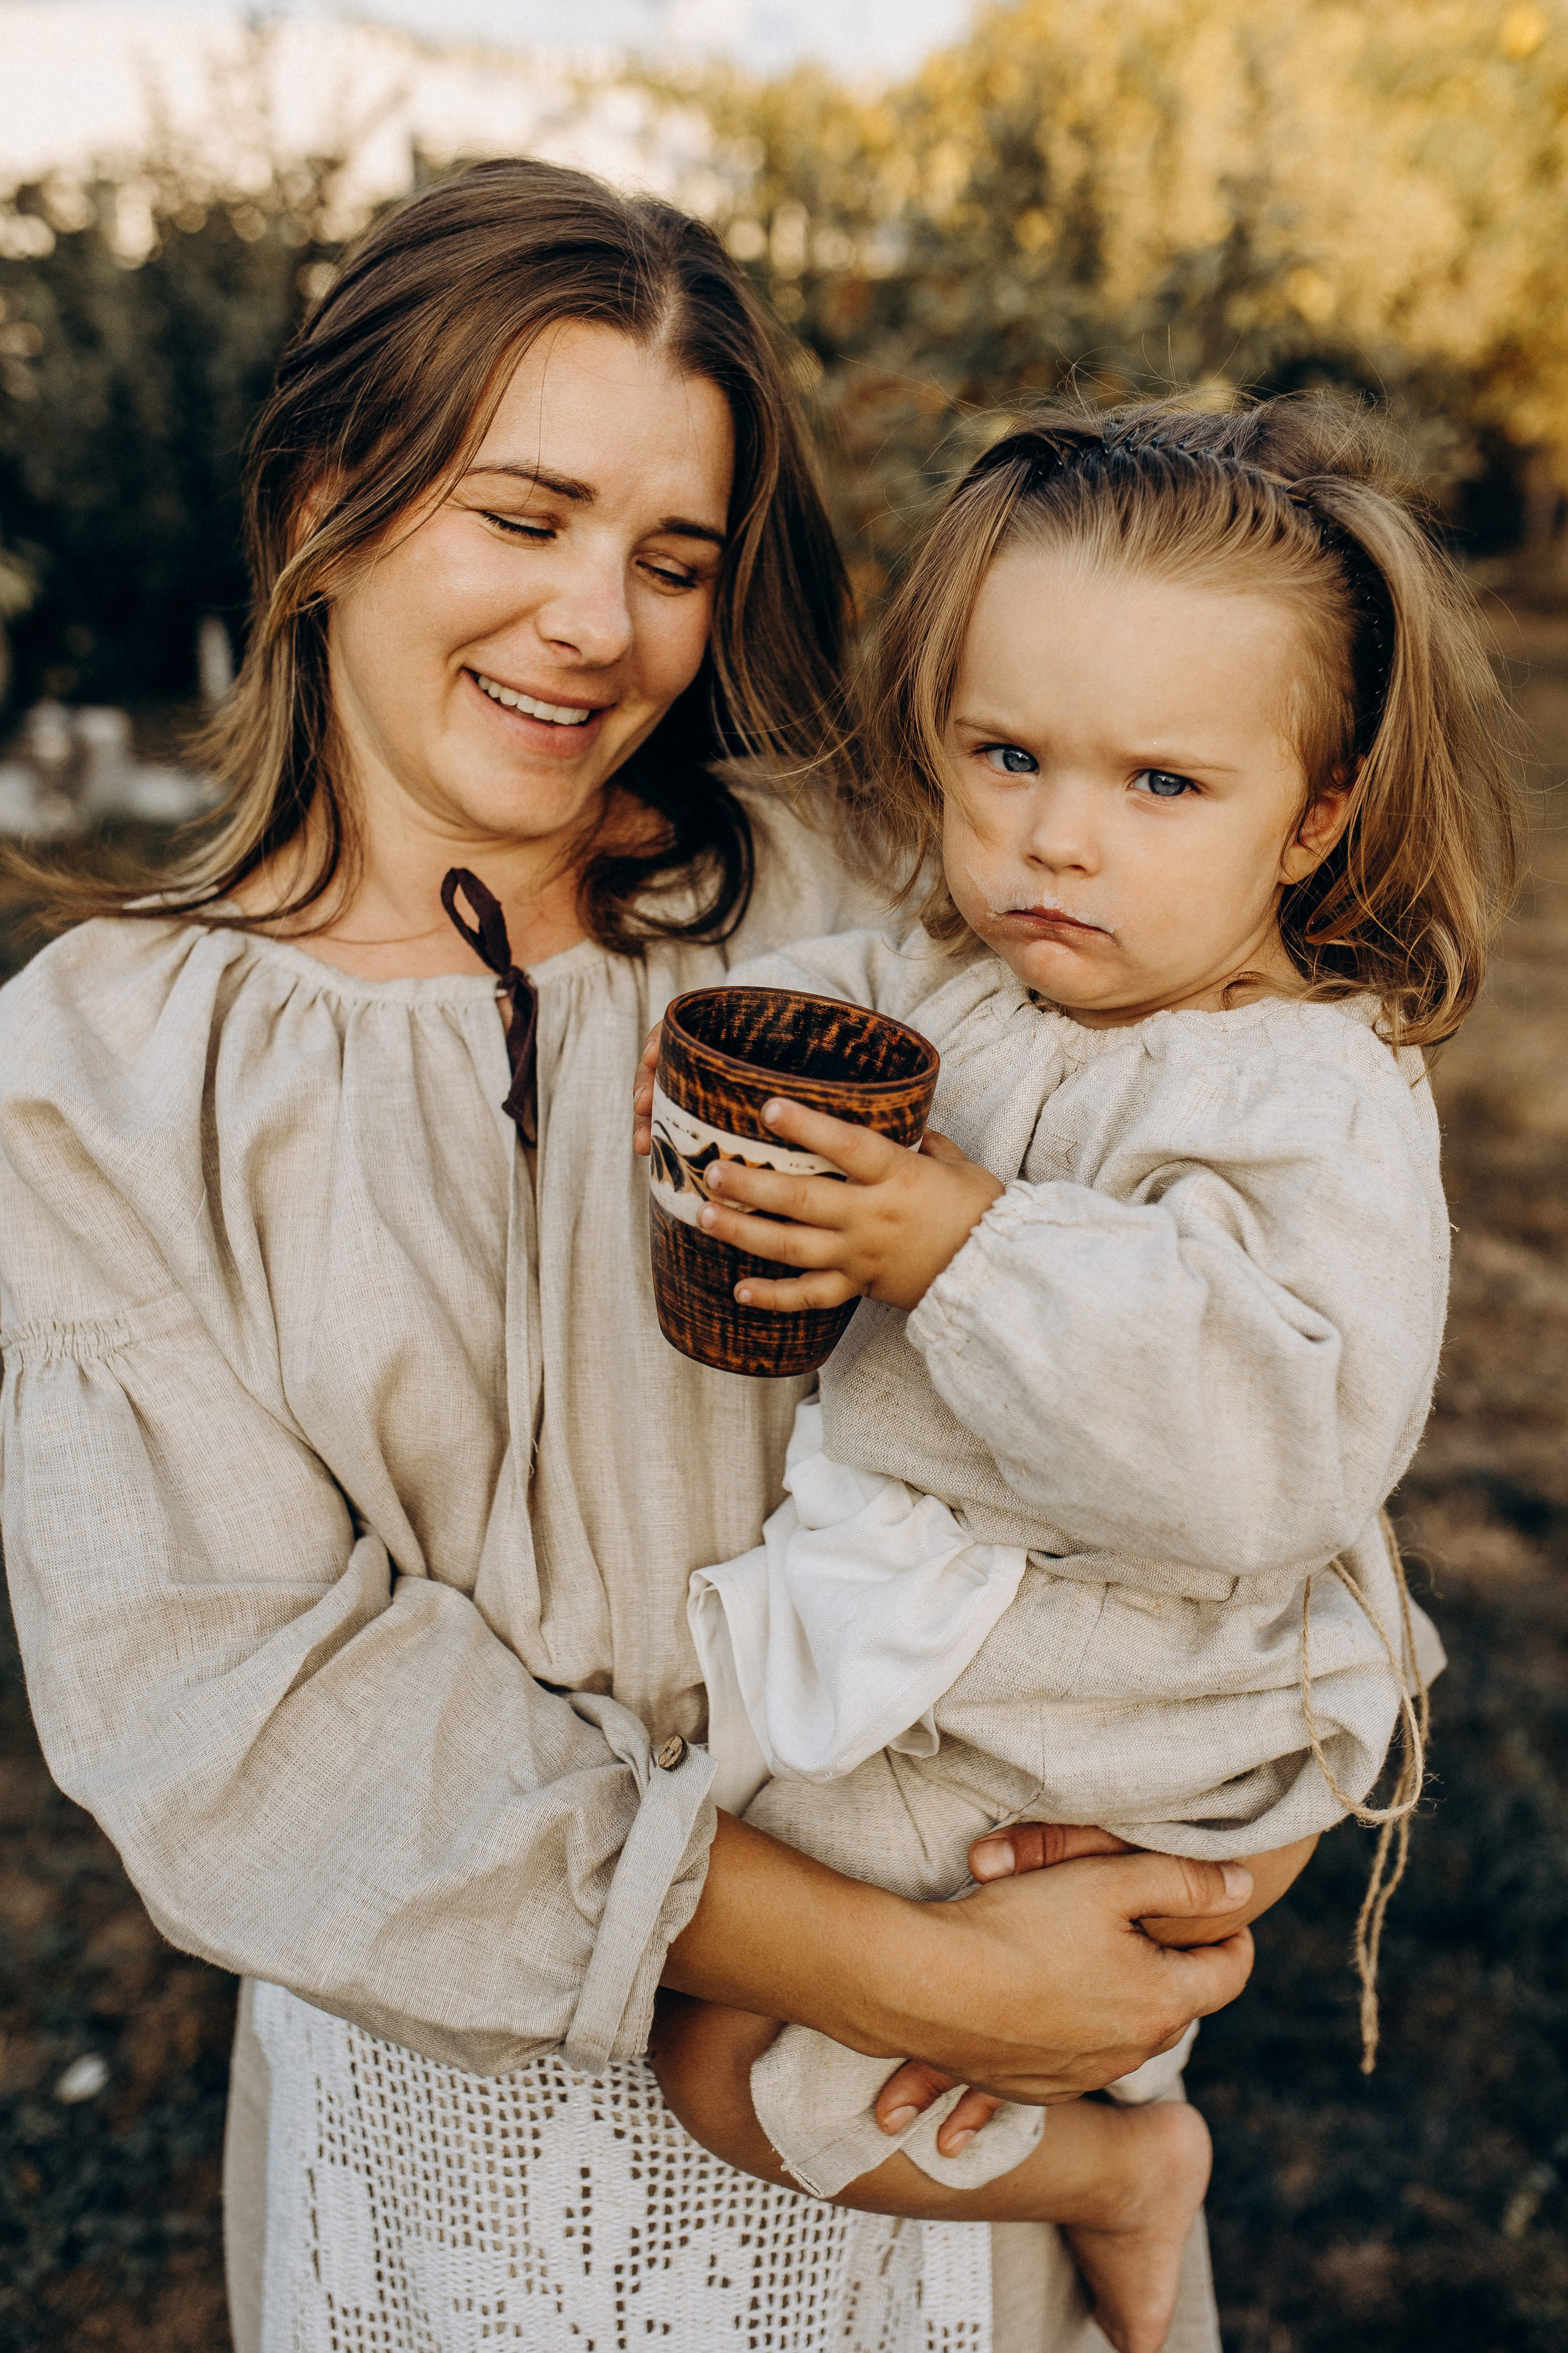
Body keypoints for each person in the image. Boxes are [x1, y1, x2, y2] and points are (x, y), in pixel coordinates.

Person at [0, 165, 1254, 2353]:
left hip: (927, 2139)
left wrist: (1203, 1843)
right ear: (325, 501)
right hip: (463, 2146)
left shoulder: (871, 917)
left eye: (673, 557)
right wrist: (931, 1974)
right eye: (523, 516)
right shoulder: (106, 1074)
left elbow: (1205, 1314)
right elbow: (243, 1714)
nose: (603, 621)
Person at [633, 399, 1520, 2353]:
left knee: (716, 2047)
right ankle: (1097, 2150)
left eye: (1162, 783)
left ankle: (1124, 2174)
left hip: (1088, 1702)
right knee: (749, 2025)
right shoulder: (976, 977)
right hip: (989, 1665)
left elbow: (1265, 1449)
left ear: (1317, 812)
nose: (1058, 833)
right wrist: (721, 1067)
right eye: (1008, 753)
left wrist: (958, 1240)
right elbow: (851, 996)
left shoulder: (1305, 1092)